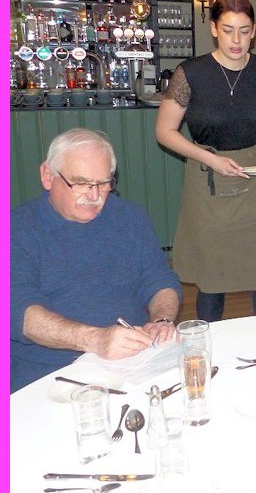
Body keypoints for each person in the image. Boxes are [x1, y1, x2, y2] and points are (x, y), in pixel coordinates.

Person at [10, 128, 181, 392]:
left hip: (132, 363)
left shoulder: (129, 218)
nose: (94, 195)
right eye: (80, 183)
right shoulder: (16, 229)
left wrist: (162, 321)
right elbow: (20, 314)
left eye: (103, 183)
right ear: (48, 176)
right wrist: (96, 339)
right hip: (48, 373)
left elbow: (159, 280)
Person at [156, 0, 256, 322]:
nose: (236, 40)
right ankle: (206, 341)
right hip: (207, 174)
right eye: (228, 30)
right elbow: (165, 131)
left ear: (254, 30)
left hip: (253, 176)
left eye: (244, 30)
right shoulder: (190, 73)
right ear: (214, 29)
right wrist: (211, 160)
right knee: (212, 274)